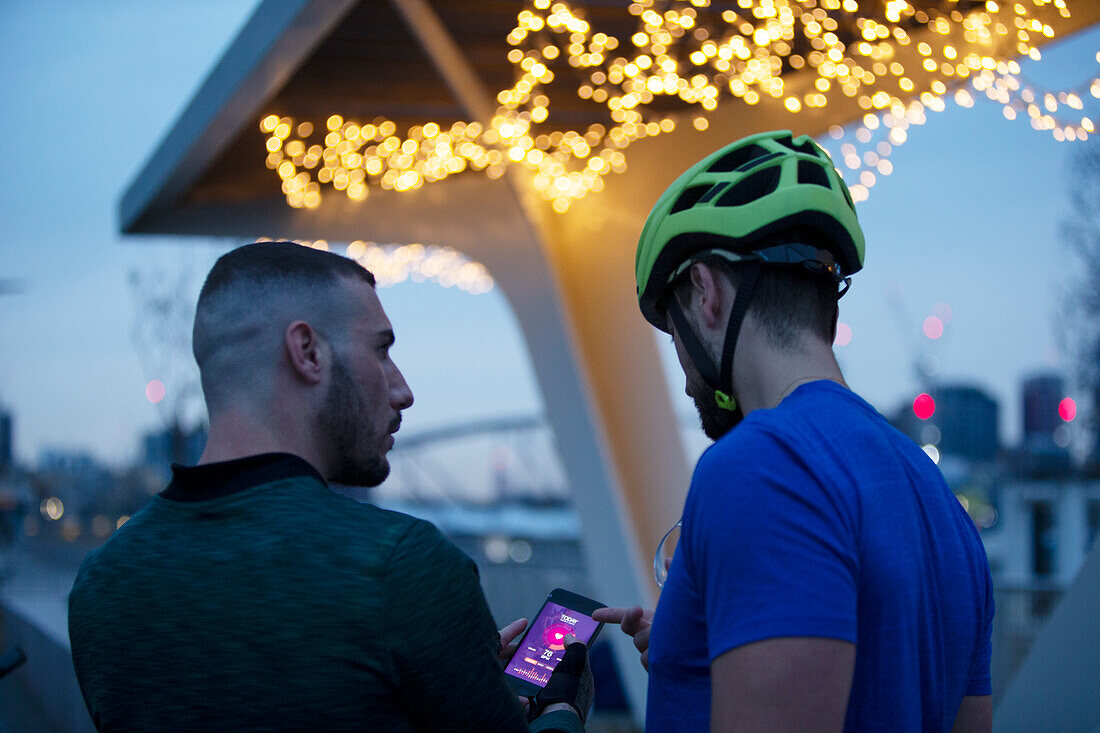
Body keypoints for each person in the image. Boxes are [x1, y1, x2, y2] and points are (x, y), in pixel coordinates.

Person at [68, 241, 591, 732]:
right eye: (381, 350)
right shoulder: (400, 565)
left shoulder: (100, 584)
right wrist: (561, 714)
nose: (402, 390)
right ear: (308, 352)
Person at [594, 131, 993, 731]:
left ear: (705, 294)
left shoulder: (760, 466)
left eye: (674, 337)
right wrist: (691, 645)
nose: (683, 380)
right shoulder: (942, 505)